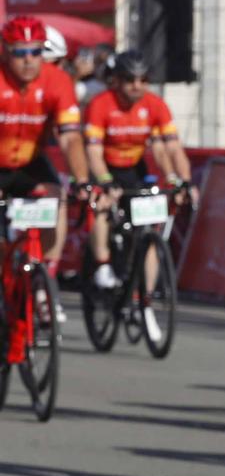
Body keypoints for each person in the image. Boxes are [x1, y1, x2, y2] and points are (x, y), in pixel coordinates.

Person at [82, 53, 196, 334]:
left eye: (143, 80)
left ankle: (144, 302)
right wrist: (105, 182)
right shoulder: (101, 104)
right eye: (130, 80)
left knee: (148, 231)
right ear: (117, 81)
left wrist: (181, 180)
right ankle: (103, 264)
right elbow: (93, 152)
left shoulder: (155, 105)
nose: (137, 86)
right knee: (103, 206)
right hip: (105, 166)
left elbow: (169, 148)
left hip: (134, 167)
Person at [0, 18, 86, 214]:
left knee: (57, 199)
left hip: (31, 162)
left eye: (36, 51)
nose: (28, 59)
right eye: (20, 52)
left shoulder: (58, 80)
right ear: (5, 51)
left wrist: (81, 180)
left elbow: (70, 137)